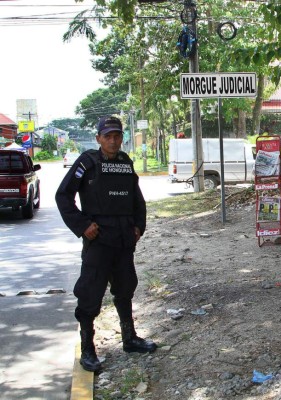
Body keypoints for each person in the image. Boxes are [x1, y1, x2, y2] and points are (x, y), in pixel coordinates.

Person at [56, 116, 157, 373]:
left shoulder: (125, 162)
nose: (113, 141)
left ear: (121, 138)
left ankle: (130, 338)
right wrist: (82, 226)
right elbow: (63, 195)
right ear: (99, 138)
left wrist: (138, 226)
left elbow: (138, 200)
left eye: (117, 136)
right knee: (90, 293)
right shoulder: (87, 162)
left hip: (123, 238)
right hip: (98, 239)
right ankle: (88, 349)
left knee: (125, 289)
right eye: (108, 136)